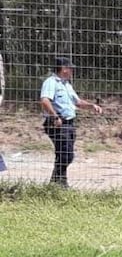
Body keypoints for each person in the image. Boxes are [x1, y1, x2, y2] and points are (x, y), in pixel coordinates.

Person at [39, 56, 103, 187]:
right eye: (70, 68)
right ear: (63, 69)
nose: (72, 71)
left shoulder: (66, 85)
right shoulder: (51, 82)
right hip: (58, 123)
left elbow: (77, 102)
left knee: (64, 154)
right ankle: (58, 183)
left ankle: (58, 183)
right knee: (66, 154)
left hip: (69, 123)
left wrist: (91, 106)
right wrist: (55, 117)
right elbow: (45, 100)